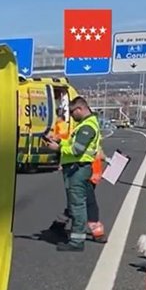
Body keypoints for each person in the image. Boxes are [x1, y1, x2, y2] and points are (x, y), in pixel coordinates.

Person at [44, 96, 103, 250]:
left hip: (78, 169)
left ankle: (77, 242)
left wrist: (58, 148)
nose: (71, 116)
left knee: (77, 206)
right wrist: (59, 141)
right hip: (78, 168)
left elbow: (77, 150)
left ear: (80, 109)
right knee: (77, 204)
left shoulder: (87, 127)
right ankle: (77, 239)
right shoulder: (85, 124)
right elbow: (73, 144)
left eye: (72, 112)